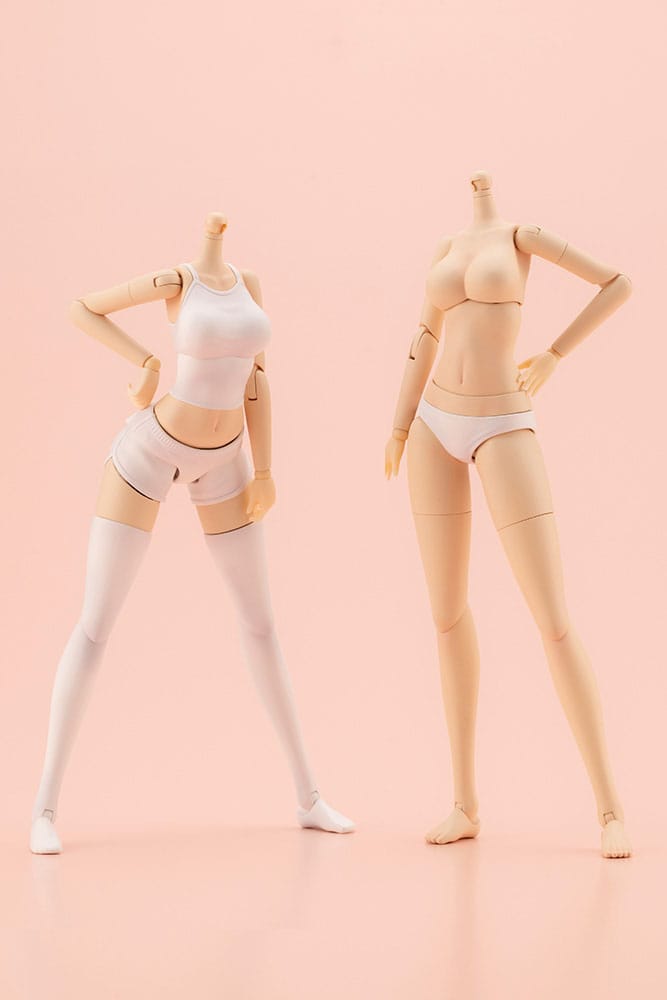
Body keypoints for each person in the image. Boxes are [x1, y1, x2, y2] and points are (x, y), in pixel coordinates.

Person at [30, 212, 355, 854]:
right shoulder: (177, 282)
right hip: (152, 449)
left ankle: (309, 797)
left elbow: (257, 380)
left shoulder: (249, 283)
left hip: (228, 459)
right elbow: (82, 308)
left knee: (260, 623)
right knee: (95, 625)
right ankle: (43, 807)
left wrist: (267, 470)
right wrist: (144, 359)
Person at [385, 172, 632, 859]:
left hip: (501, 420)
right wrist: (398, 425)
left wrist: (553, 353)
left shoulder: (523, 239)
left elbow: (616, 283)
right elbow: (422, 335)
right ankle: (464, 803)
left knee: (552, 619)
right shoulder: (446, 245)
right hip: (433, 423)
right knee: (445, 615)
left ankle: (609, 807)